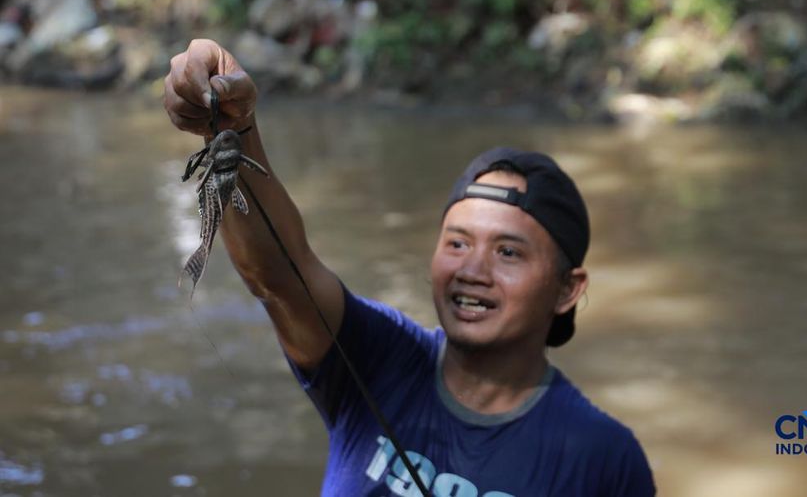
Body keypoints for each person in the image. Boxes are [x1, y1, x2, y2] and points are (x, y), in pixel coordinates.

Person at [164, 39, 656, 497]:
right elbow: (278, 276)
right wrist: (232, 125)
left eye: (508, 252)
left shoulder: (603, 459)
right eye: (457, 242)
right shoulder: (379, 356)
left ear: (568, 289)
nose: (472, 269)